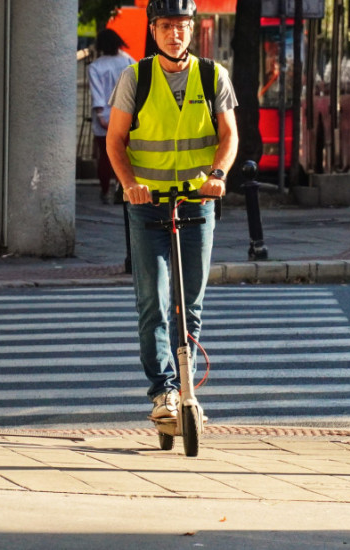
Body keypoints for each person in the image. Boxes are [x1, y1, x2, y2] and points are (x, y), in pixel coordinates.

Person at [105, 0, 238, 420]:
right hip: (148, 206)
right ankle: (163, 391)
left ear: (192, 28)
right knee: (154, 302)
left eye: (181, 25)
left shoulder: (212, 75)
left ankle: (186, 388)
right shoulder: (136, 77)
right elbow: (115, 140)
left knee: (190, 304)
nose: (174, 33)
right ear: (153, 29)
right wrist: (130, 185)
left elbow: (229, 135)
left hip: (198, 203)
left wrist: (218, 174)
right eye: (166, 26)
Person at [88, 29, 135, 204]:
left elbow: (97, 93)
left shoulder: (95, 67)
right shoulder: (129, 62)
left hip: (105, 118)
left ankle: (105, 190)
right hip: (126, 115)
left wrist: (101, 115)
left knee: (106, 157)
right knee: (124, 155)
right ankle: (121, 188)